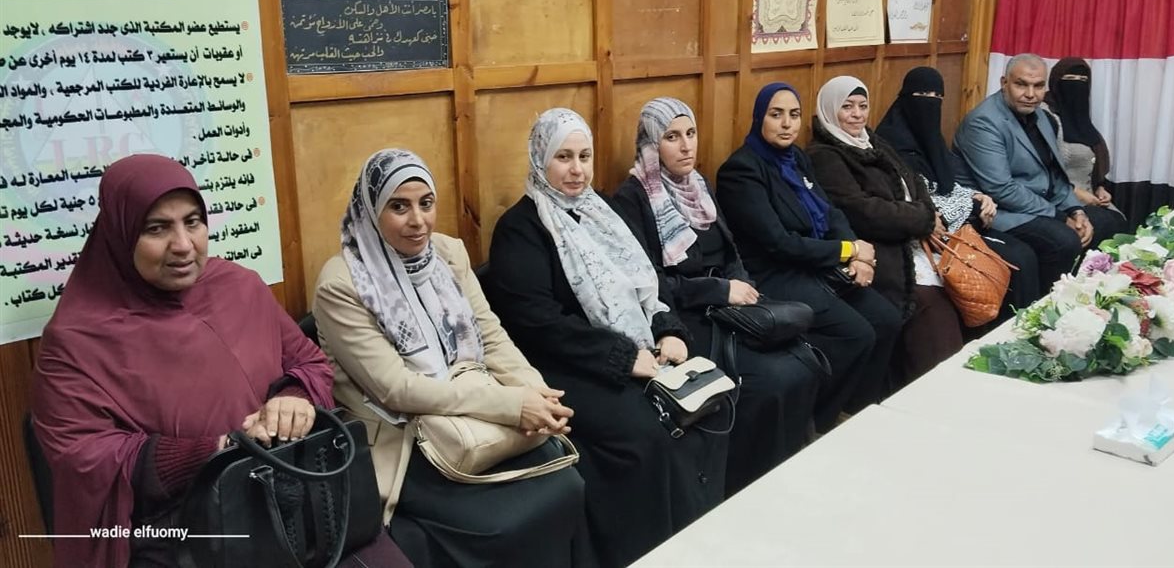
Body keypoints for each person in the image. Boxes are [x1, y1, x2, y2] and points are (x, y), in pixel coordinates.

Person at [31, 154, 335, 568]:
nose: (183, 245)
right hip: (182, 535)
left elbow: (309, 363)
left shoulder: (239, 287)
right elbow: (84, 457)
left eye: (192, 222)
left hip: (292, 504)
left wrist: (295, 398)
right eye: (156, 228)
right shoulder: (76, 341)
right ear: (120, 235)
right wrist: (212, 451)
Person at [311, 149, 589, 568]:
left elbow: (490, 336)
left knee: (566, 483)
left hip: (472, 406)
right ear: (370, 210)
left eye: (426, 203)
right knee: (501, 524)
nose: (418, 220)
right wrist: (511, 405)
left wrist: (536, 393)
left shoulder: (447, 253)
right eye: (398, 207)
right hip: (404, 437)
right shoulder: (341, 285)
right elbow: (396, 389)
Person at [483, 108, 727, 568]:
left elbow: (646, 281)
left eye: (584, 156)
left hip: (637, 351)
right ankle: (642, 550)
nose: (577, 170)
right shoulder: (520, 229)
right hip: (565, 365)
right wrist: (621, 355)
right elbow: (538, 323)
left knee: (704, 409)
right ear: (540, 159)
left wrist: (668, 329)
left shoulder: (603, 212)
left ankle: (696, 534)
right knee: (647, 435)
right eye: (563, 157)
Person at [612, 97, 822, 495]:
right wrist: (721, 290)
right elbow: (651, 283)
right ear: (651, 143)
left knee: (803, 362)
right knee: (772, 380)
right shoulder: (633, 198)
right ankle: (744, 482)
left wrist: (741, 287)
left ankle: (784, 467)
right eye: (672, 137)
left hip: (730, 306)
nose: (686, 146)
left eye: (691, 133)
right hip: (686, 315)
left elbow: (731, 252)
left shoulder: (698, 185)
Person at [715, 82, 899, 428]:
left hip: (816, 265)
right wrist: (847, 250)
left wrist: (857, 256)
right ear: (759, 118)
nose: (787, 124)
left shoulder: (796, 158)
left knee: (887, 319)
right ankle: (818, 421)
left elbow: (830, 212)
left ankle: (855, 410)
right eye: (776, 115)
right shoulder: (741, 171)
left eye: (794, 115)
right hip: (774, 274)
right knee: (855, 334)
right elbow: (778, 243)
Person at [806, 76, 962, 382]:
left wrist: (927, 213)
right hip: (879, 251)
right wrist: (923, 219)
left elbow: (914, 182)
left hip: (913, 241)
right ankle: (931, 390)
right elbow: (864, 212)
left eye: (863, 106)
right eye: (847, 107)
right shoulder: (824, 155)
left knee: (959, 297)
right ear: (829, 110)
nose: (857, 114)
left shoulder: (873, 142)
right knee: (931, 309)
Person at [875, 66, 1040, 320]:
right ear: (905, 97)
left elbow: (948, 182)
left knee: (1024, 255)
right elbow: (920, 199)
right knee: (1014, 261)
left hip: (961, 226)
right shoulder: (890, 144)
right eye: (922, 95)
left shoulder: (932, 139)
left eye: (937, 97)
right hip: (928, 235)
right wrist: (973, 206)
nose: (930, 103)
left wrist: (979, 197)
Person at [953, 53, 1125, 295]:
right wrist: (1060, 217)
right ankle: (1045, 305)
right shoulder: (983, 122)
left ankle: (1082, 297)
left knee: (1108, 222)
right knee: (1064, 239)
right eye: (1021, 84)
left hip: (1036, 203)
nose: (1030, 94)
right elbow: (1001, 189)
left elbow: (1055, 173)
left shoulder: (1041, 116)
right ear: (1004, 83)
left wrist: (1075, 210)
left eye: (1038, 86)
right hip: (998, 211)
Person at [1043, 57, 1125, 218]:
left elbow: (1093, 167)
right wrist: (1076, 193)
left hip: (1091, 198)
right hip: (1058, 200)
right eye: (1070, 78)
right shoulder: (1045, 117)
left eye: (1083, 80)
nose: (1077, 85)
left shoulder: (1081, 118)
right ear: (1056, 82)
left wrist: (1100, 189)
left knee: (1120, 222)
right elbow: (1041, 172)